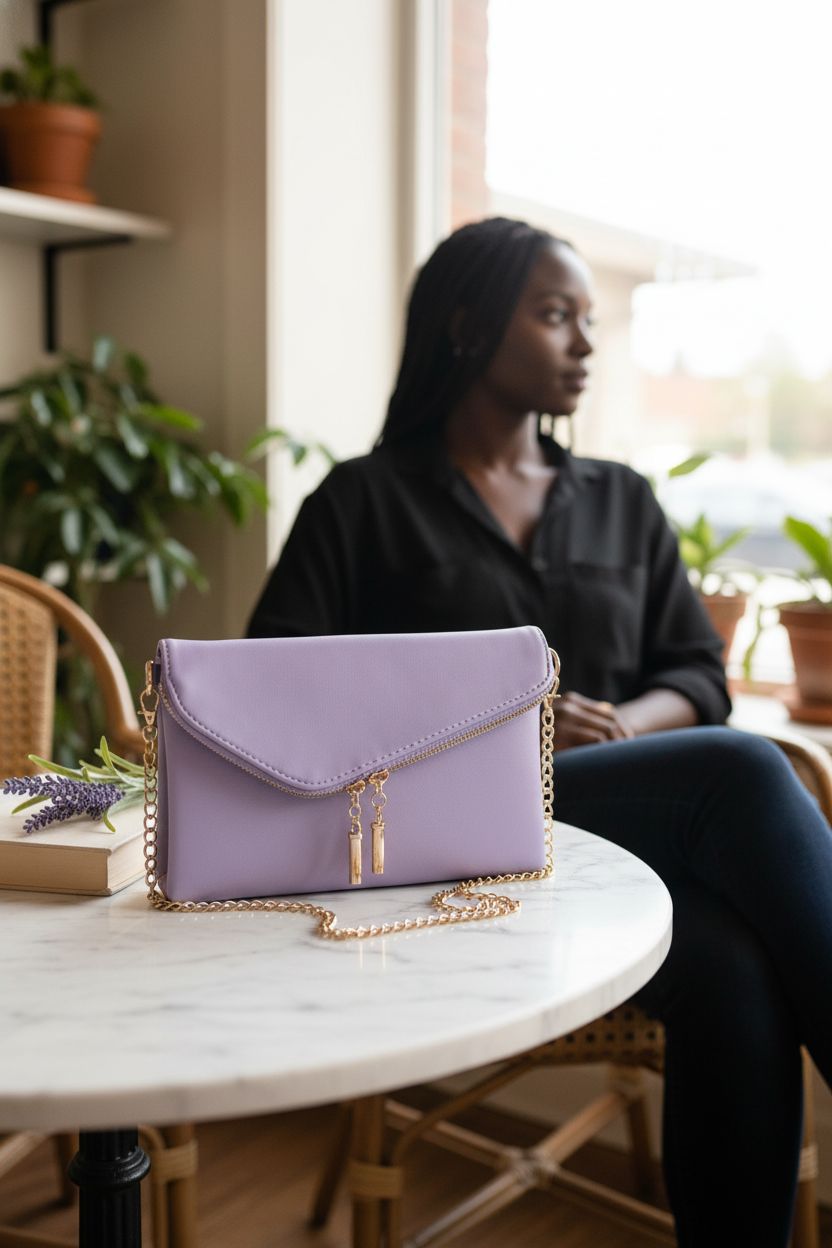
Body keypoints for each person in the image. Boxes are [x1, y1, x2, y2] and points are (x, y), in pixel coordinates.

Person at [247, 216, 832, 1247]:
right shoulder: (362, 503)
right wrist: (496, 728)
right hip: (440, 863)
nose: (584, 344)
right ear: (468, 327)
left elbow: (696, 675)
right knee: (743, 774)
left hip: (611, 856)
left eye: (587, 320)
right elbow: (279, 703)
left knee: (736, 970)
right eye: (555, 315)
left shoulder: (623, 501)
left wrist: (612, 732)